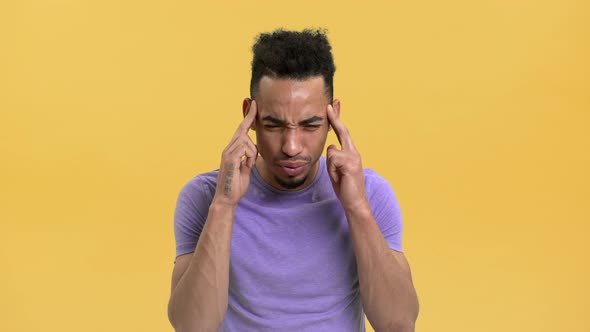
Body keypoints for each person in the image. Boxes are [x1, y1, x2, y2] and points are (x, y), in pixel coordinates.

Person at [167, 29, 419, 332]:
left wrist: (357, 208)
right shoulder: (205, 195)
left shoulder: (371, 193)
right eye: (274, 125)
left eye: (310, 125)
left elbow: (398, 324)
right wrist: (224, 204)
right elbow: (192, 327)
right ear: (250, 115)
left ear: (333, 116)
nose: (291, 146)